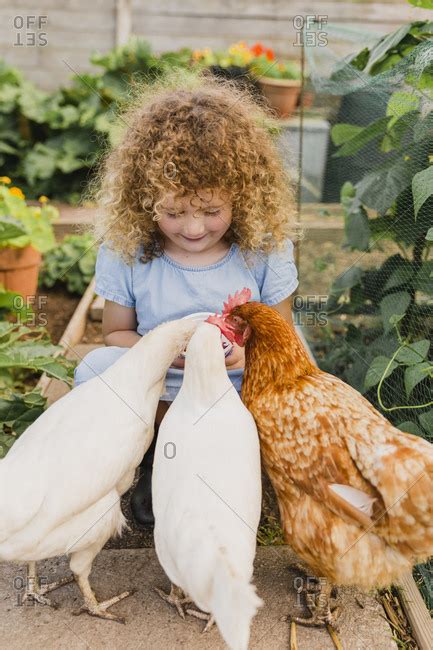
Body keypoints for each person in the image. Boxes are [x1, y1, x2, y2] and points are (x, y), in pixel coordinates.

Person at [74, 71, 299, 528]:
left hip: (235, 389)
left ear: (243, 197)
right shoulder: (128, 252)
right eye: (174, 212)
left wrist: (242, 355)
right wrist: (165, 351)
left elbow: (283, 339)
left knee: (298, 381)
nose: (194, 229)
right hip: (164, 385)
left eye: (212, 211)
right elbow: (116, 333)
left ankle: (233, 466)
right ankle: (157, 457)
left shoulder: (264, 248)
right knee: (92, 369)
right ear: (144, 202)